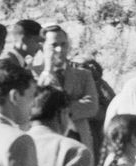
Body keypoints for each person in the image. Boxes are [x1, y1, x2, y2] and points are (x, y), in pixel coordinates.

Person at [35, 23, 101, 153]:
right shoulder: (34, 76)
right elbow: (35, 108)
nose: (59, 49)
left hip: (80, 141)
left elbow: (92, 107)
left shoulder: (83, 75)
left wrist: (55, 110)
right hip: (48, 145)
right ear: (42, 46)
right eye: (54, 45)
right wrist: (48, 72)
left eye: (63, 44)